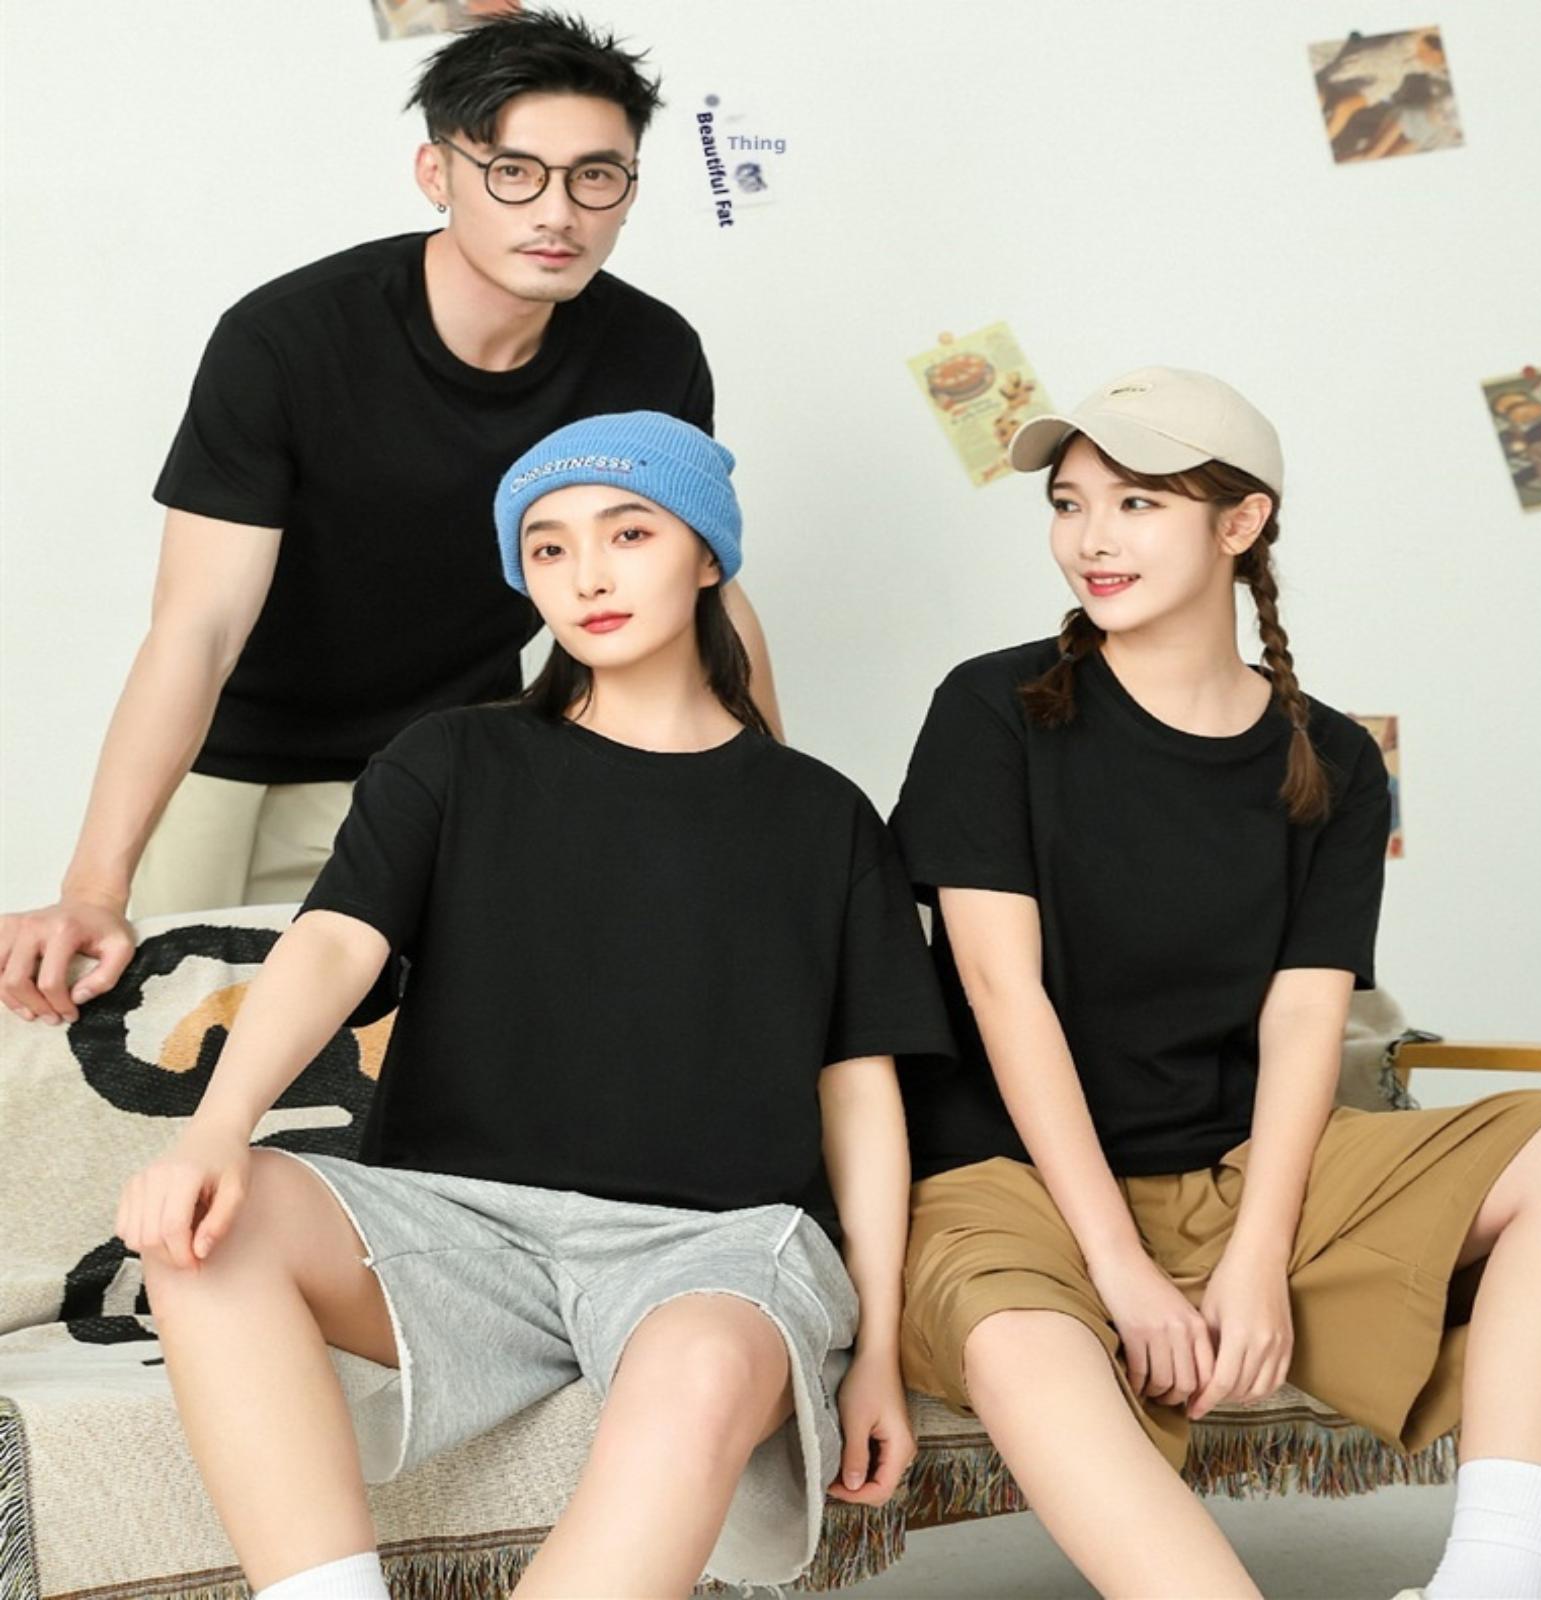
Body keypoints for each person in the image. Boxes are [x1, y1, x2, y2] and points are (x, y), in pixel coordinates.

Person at [115, 411, 954, 1599]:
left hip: (714, 1244)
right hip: (459, 1226)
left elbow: (858, 1090)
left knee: (706, 1365)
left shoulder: (822, 816)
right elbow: (333, 942)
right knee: (207, 1229)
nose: (587, 575)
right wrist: (214, 1132)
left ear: (706, 555)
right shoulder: (450, 758)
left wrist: (874, 1350)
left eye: (629, 533)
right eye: (548, 548)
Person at [888, 366, 1541, 1600]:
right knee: (1019, 1345)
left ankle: (1491, 1583)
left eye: (1136, 503)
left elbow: (1305, 1014)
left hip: (1238, 1168)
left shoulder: (1333, 757)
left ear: (1240, 521)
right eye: (1068, 503)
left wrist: (1258, 1257)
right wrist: (1119, 1268)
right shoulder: (991, 707)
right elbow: (1004, 995)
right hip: (1006, 1176)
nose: (1091, 538)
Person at [1, 10, 780, 1026]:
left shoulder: (650, 354)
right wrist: (94, 885)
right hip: (236, 760)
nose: (558, 212)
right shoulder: (286, 340)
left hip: (458, 750)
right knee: (164, 1028)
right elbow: (199, 626)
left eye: (596, 176)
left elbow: (693, 594)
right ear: (435, 172)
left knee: (469, 1037)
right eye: (514, 172)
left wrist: (775, 811)